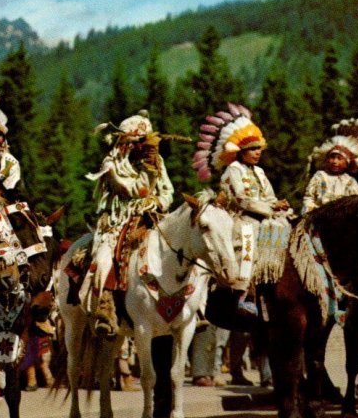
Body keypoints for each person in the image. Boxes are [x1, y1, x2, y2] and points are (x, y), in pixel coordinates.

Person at [194, 103, 292, 317]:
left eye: (259, 149)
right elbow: (242, 199)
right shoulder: (232, 170)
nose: (257, 153)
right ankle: (243, 294)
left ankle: (276, 289)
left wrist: (278, 206)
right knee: (249, 243)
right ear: (241, 152)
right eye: (252, 149)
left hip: (264, 217)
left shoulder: (259, 171)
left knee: (285, 232)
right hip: (242, 220)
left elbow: (269, 196)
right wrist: (269, 208)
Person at [84, 112, 174, 335]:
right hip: (118, 219)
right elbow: (136, 190)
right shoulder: (111, 163)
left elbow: (168, 191)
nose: (141, 146)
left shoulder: (156, 161)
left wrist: (158, 201)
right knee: (104, 255)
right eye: (137, 140)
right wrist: (149, 171)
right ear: (124, 140)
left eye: (144, 140)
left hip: (153, 216)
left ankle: (193, 304)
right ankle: (105, 305)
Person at [302, 136, 358, 214]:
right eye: (332, 157)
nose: (335, 161)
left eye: (339, 158)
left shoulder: (350, 181)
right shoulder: (320, 176)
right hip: (318, 216)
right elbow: (309, 197)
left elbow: (356, 203)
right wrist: (309, 210)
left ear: (346, 163)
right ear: (327, 160)